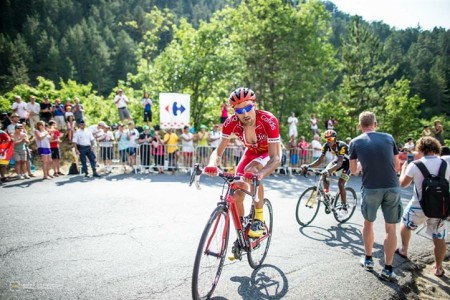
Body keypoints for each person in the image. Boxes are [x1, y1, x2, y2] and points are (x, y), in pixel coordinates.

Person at [204, 87, 281, 241]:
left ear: (254, 105)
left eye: (248, 108)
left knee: (251, 170)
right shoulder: (230, 123)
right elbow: (218, 152)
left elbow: (276, 158)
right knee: (237, 192)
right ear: (234, 112)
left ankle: (259, 219)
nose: (245, 114)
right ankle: (241, 236)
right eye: (239, 111)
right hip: (251, 152)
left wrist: (260, 174)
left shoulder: (268, 120)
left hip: (268, 152)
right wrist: (212, 164)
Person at [349, 111, 402, 281]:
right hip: (392, 186)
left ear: (360, 126)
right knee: (391, 227)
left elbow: (353, 171)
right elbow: (397, 165)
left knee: (368, 223)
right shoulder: (388, 138)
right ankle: (388, 268)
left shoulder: (355, 142)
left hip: (371, 187)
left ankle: (369, 259)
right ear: (375, 124)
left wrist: (362, 164)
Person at [397, 136, 449, 277]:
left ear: (420, 149)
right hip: (440, 208)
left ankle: (404, 250)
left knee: (406, 224)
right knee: (439, 236)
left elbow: (403, 184)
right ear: (436, 148)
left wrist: (403, 170)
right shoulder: (446, 164)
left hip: (418, 206)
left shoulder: (416, 164)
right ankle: (438, 269)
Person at [301, 130, 350, 216]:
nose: (328, 141)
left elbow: (340, 163)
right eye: (326, 139)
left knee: (341, 184)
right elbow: (320, 160)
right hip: (338, 161)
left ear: (335, 139)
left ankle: (344, 206)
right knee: (324, 173)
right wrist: (308, 166)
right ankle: (327, 193)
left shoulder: (341, 146)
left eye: (330, 139)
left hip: (347, 164)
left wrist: (329, 171)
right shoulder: (326, 146)